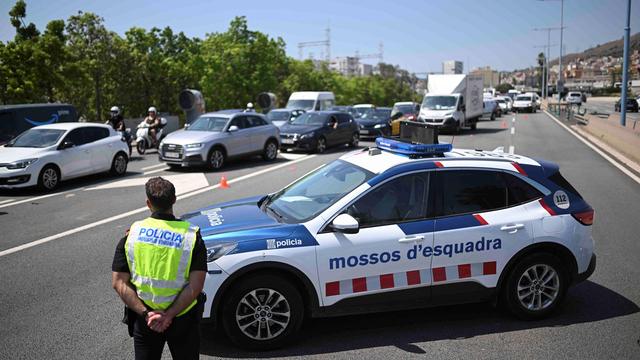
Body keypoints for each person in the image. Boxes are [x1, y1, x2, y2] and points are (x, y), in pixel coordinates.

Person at [112, 177, 206, 360]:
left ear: (148, 203)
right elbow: (196, 286)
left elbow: (118, 283)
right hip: (183, 318)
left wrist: (148, 314)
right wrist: (169, 315)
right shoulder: (192, 236)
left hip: (145, 319)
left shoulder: (132, 234)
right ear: (174, 199)